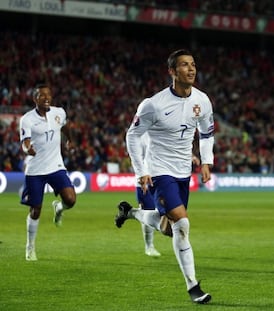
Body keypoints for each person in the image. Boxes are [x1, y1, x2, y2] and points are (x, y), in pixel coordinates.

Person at [115, 49, 214, 303]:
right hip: (159, 171)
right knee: (182, 223)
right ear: (172, 71)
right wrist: (141, 171)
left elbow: (206, 132)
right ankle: (194, 287)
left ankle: (131, 213)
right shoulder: (153, 104)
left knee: (169, 229)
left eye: (193, 64)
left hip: (183, 172)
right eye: (184, 65)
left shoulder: (202, 101)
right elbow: (133, 135)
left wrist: (206, 161)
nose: (191, 69)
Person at [19, 84, 76, 261]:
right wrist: (28, 149)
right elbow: (25, 142)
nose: (46, 98)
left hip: (55, 166)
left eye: (48, 95)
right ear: (34, 98)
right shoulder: (27, 119)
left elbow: (65, 127)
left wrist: (69, 140)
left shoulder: (59, 112)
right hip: (35, 169)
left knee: (70, 199)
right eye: (41, 95)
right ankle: (30, 247)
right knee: (36, 210)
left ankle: (59, 208)